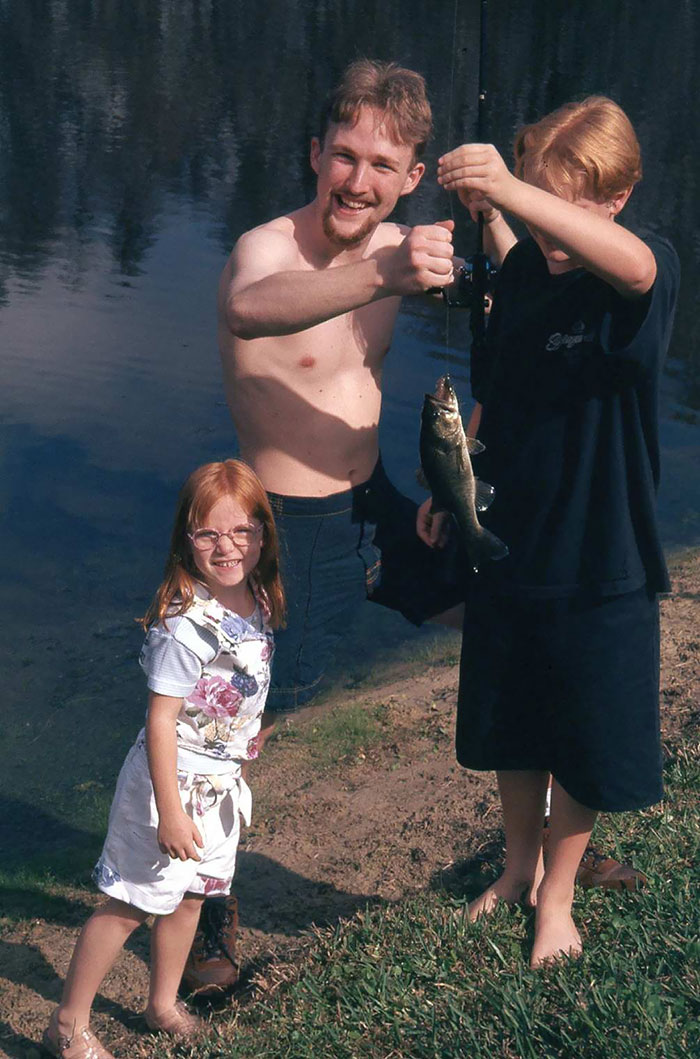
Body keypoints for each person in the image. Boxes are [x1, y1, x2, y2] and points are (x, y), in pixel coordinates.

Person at [430, 97, 679, 966]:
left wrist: (512, 192)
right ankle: (517, 865)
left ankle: (559, 895)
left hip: (600, 553)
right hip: (512, 542)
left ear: (620, 196)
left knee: (580, 730)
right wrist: (453, 477)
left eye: (570, 206)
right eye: (540, 201)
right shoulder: (524, 274)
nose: (551, 228)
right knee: (516, 720)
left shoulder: (642, 275)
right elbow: (501, 396)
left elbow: (640, 267)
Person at [217, 58, 490, 715]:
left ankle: (535, 780)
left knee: (499, 606)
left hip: (380, 502)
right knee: (271, 708)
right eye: (344, 156)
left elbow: (517, 295)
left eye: (383, 166)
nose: (358, 183)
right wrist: (383, 276)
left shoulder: (400, 246)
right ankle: (189, 814)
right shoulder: (266, 249)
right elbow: (248, 308)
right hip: (291, 524)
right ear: (316, 154)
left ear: (413, 177)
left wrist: (497, 212)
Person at [43, 460, 284, 1058]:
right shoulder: (182, 628)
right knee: (129, 902)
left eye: (242, 531)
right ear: (186, 538)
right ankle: (68, 1025)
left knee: (193, 896)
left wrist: (246, 741)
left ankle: (161, 1003)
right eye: (208, 534)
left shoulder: (257, 598)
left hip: (219, 784)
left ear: (262, 534)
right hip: (169, 786)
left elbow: (239, 686)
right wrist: (171, 813)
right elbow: (160, 721)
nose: (226, 546)